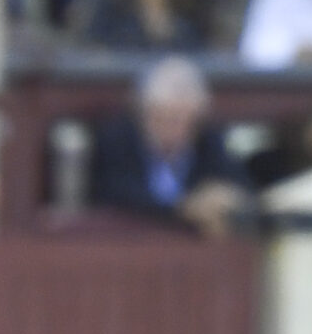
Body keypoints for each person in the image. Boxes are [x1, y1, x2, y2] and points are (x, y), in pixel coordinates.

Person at [90, 54, 250, 236]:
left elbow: (239, 184)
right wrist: (184, 208)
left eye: (185, 120)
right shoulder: (117, 139)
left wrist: (228, 197)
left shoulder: (207, 139)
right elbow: (116, 195)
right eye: (168, 118)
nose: (178, 128)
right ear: (145, 112)